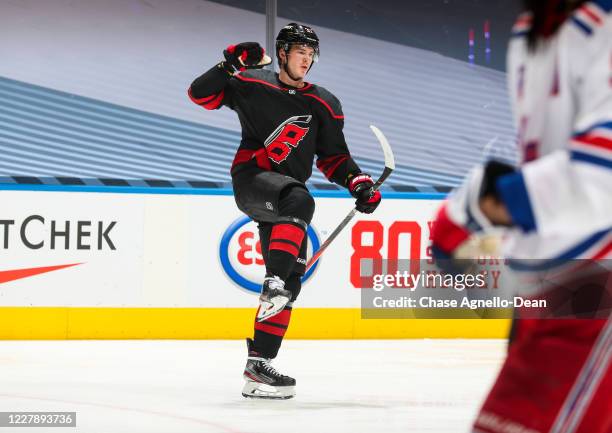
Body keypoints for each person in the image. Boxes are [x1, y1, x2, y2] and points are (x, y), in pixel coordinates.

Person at [431, 0, 611, 431]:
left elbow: (601, 169)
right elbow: (552, 155)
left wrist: (482, 205)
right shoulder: (535, 29)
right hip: (561, 279)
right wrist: (473, 204)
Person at [188, 23, 381, 399]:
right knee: (300, 201)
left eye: (311, 53)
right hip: (252, 180)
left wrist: (357, 182)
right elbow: (199, 94)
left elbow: (334, 157)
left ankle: (258, 365)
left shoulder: (324, 102)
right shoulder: (252, 83)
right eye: (299, 51)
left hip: (284, 198)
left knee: (292, 278)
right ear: (282, 53)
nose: (306, 59)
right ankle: (272, 283)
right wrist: (227, 65)